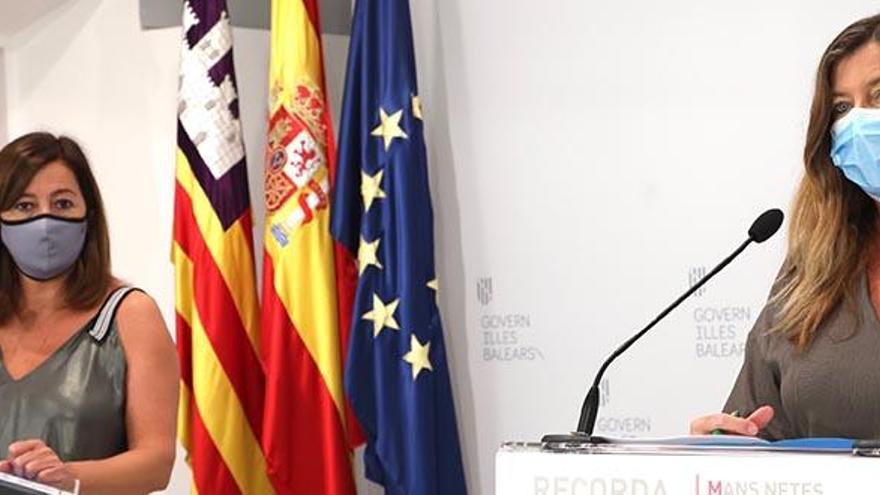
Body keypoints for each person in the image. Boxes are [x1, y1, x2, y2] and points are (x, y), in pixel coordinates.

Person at [690, 13, 880, 439]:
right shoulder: (813, 271)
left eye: (879, 95)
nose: (860, 122)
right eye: (842, 108)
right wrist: (724, 446)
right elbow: (760, 430)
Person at [0, 132, 178, 493]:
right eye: (24, 205)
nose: (45, 221)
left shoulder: (131, 315)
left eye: (63, 204)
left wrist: (69, 477)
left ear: (89, 216)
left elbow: (157, 462)